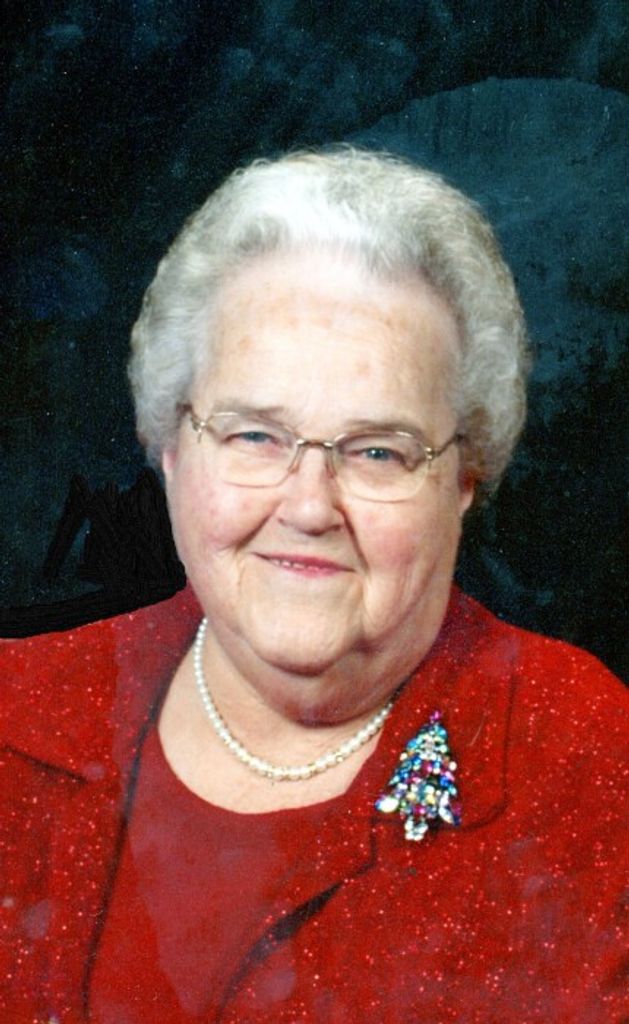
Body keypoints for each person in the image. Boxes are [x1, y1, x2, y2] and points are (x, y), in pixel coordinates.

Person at [1, 147, 626, 1024]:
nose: (307, 506)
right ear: (171, 448)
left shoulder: (584, 757)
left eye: (377, 452)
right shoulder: (16, 710)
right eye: (255, 436)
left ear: (462, 480)